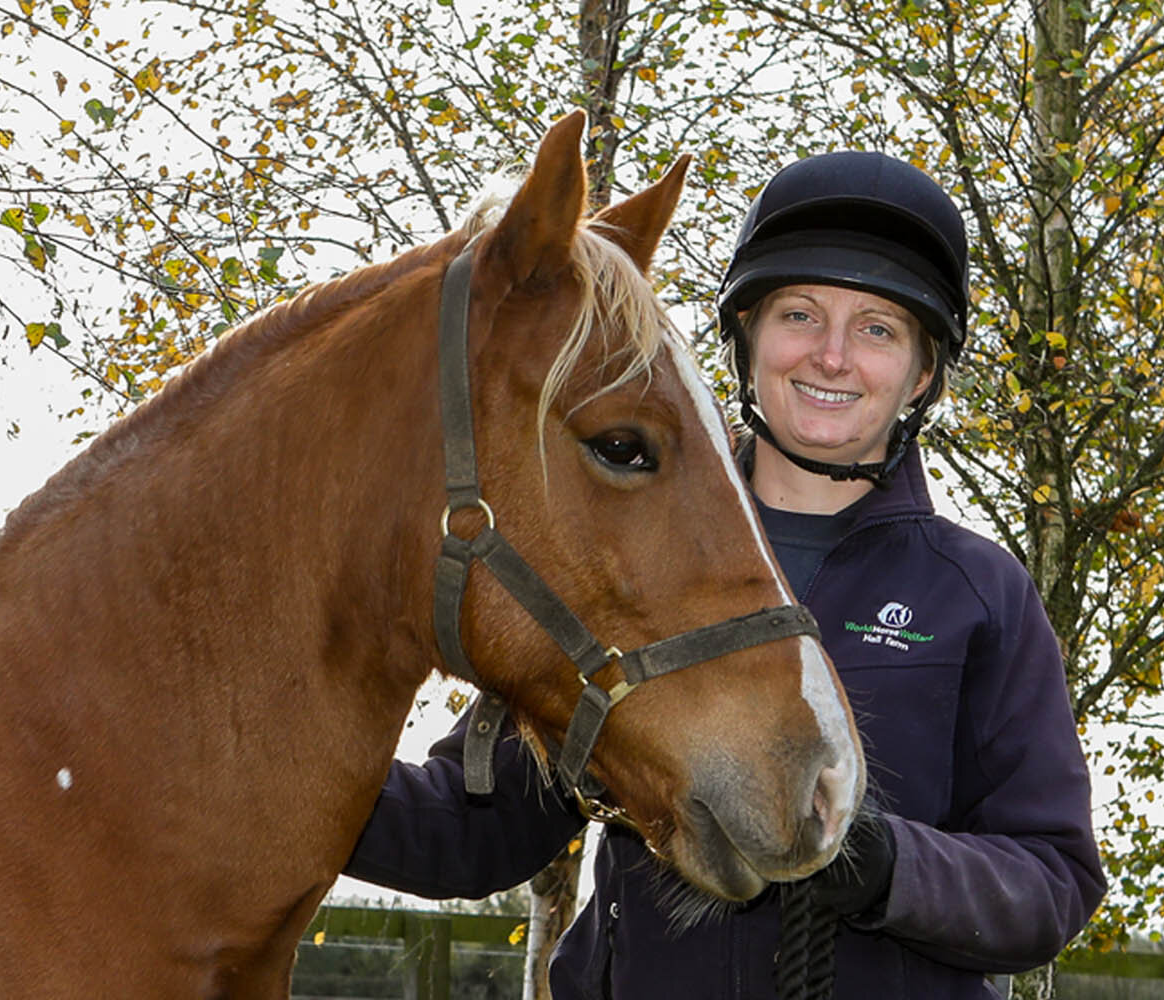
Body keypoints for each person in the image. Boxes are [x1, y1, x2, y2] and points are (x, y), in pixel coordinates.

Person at [343, 151, 1107, 997]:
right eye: (800, 315)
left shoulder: (977, 593)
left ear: (923, 373)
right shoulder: (621, 540)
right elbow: (470, 827)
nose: (831, 356)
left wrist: (889, 867)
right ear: (748, 339)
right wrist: (281, 765)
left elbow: (1052, 881)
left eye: (878, 329)